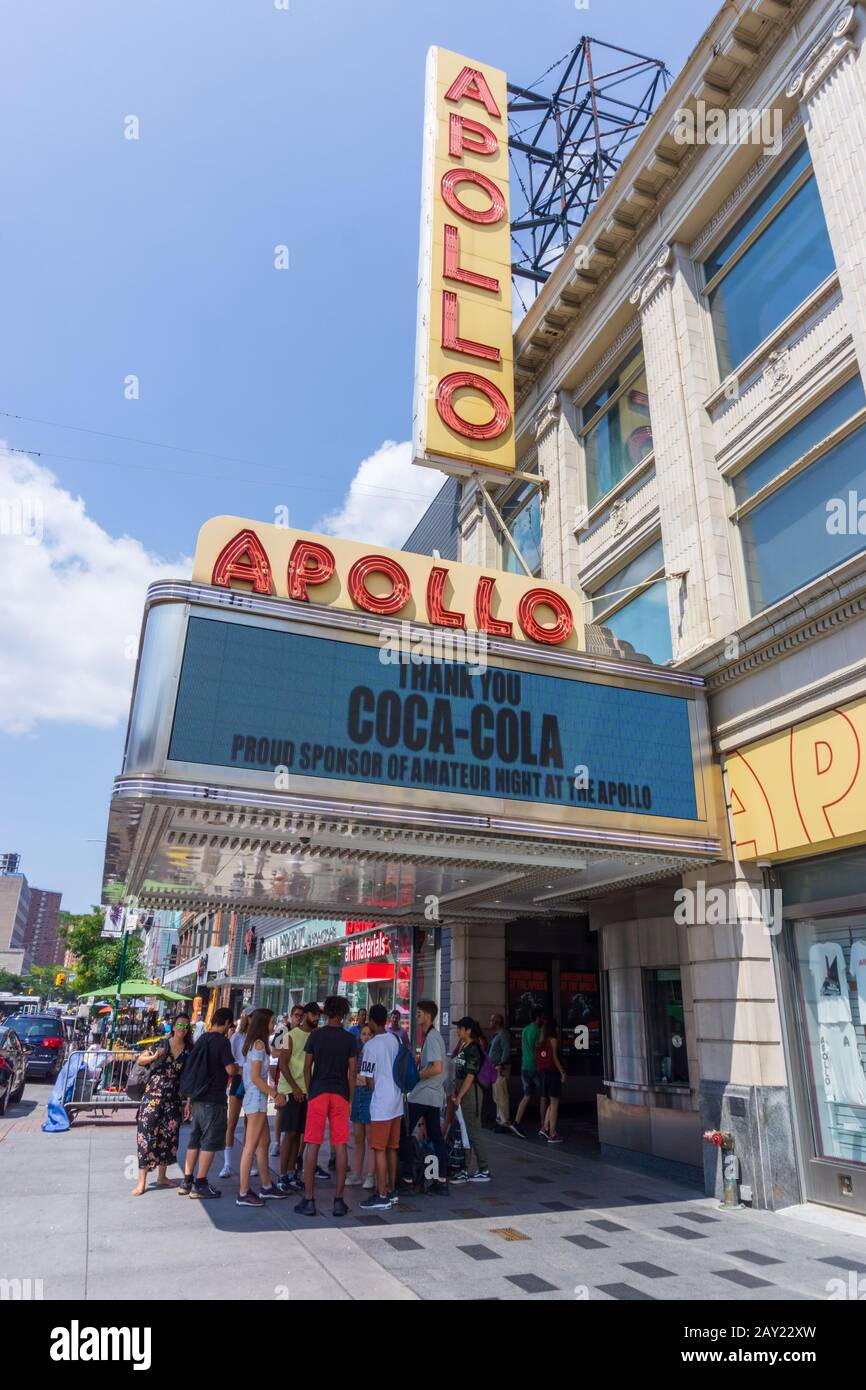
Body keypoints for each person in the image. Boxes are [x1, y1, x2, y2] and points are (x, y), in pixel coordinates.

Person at [294, 996, 357, 1219]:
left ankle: (309, 1199)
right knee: (340, 1146)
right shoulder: (350, 1039)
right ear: (343, 1014)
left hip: (318, 1093)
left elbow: (307, 1067)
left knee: (312, 1145)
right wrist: (349, 1097)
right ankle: (339, 1201)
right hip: (340, 1094)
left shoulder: (315, 1036)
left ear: (326, 1013)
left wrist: (311, 1092)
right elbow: (352, 1072)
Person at [179, 1007, 239, 1199]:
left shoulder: (202, 1039)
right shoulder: (222, 1042)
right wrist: (239, 1068)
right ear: (228, 1023)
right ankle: (201, 1183)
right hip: (213, 1099)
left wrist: (189, 1100)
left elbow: (195, 1071)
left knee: (194, 1139)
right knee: (210, 1142)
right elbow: (230, 1069)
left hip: (197, 1098)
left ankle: (186, 1181)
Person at [132, 1013, 193, 1196]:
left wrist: (188, 1101)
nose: (182, 1029)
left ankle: (162, 1177)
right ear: (173, 1027)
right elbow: (140, 1060)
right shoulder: (161, 1044)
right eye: (180, 1025)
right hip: (153, 1096)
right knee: (145, 1137)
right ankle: (142, 1182)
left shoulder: (189, 1050)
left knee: (169, 1138)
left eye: (186, 1026)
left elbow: (190, 1078)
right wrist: (154, 1057)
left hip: (173, 1099)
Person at [237, 1009, 287, 1206]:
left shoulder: (259, 1044)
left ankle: (266, 1185)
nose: (274, 1025)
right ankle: (243, 1192)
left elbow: (276, 1051)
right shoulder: (258, 1045)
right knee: (250, 1146)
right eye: (272, 1021)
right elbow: (256, 1077)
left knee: (263, 1142)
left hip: (256, 1098)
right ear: (264, 1022)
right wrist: (275, 1094)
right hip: (256, 1098)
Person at [359, 1002, 403, 1211]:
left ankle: (382, 1193)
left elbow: (368, 1081)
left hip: (381, 1104)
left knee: (378, 1148)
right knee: (392, 1148)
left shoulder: (371, 1046)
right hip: (397, 1102)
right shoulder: (395, 1039)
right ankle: (392, 1191)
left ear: (372, 1021)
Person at [407, 999, 449, 1196]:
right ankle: (441, 1180)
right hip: (433, 1096)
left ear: (428, 1016)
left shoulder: (432, 1037)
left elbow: (437, 1067)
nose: (417, 1016)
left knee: (405, 1132)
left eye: (419, 1013)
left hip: (424, 1094)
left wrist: (417, 1075)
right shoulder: (434, 1036)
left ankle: (407, 1178)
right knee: (436, 1137)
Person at [276, 1001, 319, 1193]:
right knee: (290, 1134)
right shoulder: (289, 1036)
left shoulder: (317, 1036)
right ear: (306, 1015)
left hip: (307, 1091)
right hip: (291, 1091)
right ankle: (282, 1175)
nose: (317, 1018)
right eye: (314, 1015)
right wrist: (294, 1088)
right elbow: (282, 1064)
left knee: (299, 1135)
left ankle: (293, 1173)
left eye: (319, 1015)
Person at [450, 1017, 490, 1182]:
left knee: (473, 1131)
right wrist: (455, 1090)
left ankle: (483, 1169)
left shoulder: (473, 1048)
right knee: (465, 1131)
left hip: (470, 1093)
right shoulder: (463, 1045)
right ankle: (464, 1169)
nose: (457, 1031)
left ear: (468, 1030)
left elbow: (470, 1075)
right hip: (462, 1091)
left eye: (460, 1028)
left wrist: (459, 1095)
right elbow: (458, 1070)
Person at [221, 1006, 252, 1178]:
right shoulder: (237, 1036)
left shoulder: (257, 1038)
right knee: (232, 1121)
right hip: (239, 1079)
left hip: (252, 1081)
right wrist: (239, 1069)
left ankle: (248, 1162)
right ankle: (227, 1163)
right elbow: (231, 1059)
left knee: (250, 1123)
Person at [511, 1005, 545, 1138]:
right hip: (535, 1067)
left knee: (527, 1095)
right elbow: (539, 1045)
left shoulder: (525, 1030)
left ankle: (517, 1121)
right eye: (541, 1017)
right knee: (544, 1095)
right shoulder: (538, 1031)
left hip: (524, 1065)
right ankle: (544, 1125)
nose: (543, 1019)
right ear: (538, 1017)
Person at [346, 1021, 373, 1187]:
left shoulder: (375, 1052)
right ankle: (356, 1173)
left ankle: (371, 1174)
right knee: (358, 1137)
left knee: (370, 1138)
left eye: (369, 1034)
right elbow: (351, 1073)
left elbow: (370, 1077)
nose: (366, 1037)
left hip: (369, 1093)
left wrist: (358, 1078)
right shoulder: (356, 1052)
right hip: (357, 1093)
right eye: (364, 1034)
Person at [536, 1016, 567, 1143]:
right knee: (554, 1105)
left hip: (544, 1074)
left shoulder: (541, 1040)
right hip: (553, 1074)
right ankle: (552, 1134)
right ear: (554, 1028)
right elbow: (554, 1058)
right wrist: (562, 1072)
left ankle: (544, 1127)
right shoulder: (553, 1040)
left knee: (551, 1102)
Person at [488, 1012, 512, 1133]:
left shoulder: (503, 1034)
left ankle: (504, 1122)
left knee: (501, 1096)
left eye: (492, 1020)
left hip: (499, 1070)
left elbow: (506, 1050)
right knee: (497, 1096)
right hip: (494, 1070)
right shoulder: (497, 1035)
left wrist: (501, 1065)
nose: (490, 1023)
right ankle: (499, 1120)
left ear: (497, 1023)